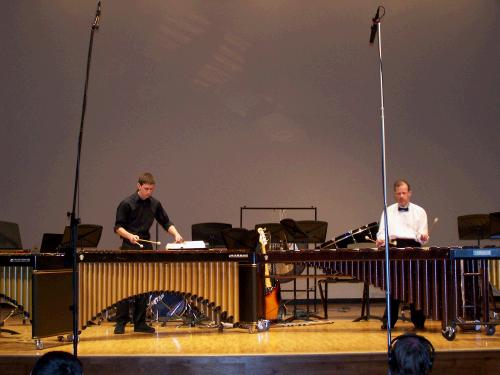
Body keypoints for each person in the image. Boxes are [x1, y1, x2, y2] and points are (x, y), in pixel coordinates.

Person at [113, 172, 183, 334]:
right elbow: (118, 227)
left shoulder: (155, 204)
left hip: (146, 248)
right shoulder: (126, 203)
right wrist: (129, 235)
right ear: (138, 186)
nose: (149, 192)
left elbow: (165, 221)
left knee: (143, 286)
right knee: (125, 286)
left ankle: (140, 323)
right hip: (129, 248)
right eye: (146, 189)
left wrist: (176, 234)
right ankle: (121, 322)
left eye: (151, 189)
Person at [377, 179, 429, 330]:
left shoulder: (420, 211)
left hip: (413, 249)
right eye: (398, 193)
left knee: (415, 286)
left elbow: (422, 236)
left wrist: (423, 237)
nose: (401, 196)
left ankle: (419, 321)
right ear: (394, 194)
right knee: (393, 286)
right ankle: (388, 321)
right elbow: (382, 232)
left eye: (404, 193)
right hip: (394, 249)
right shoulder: (387, 211)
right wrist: (381, 240)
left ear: (409, 193)